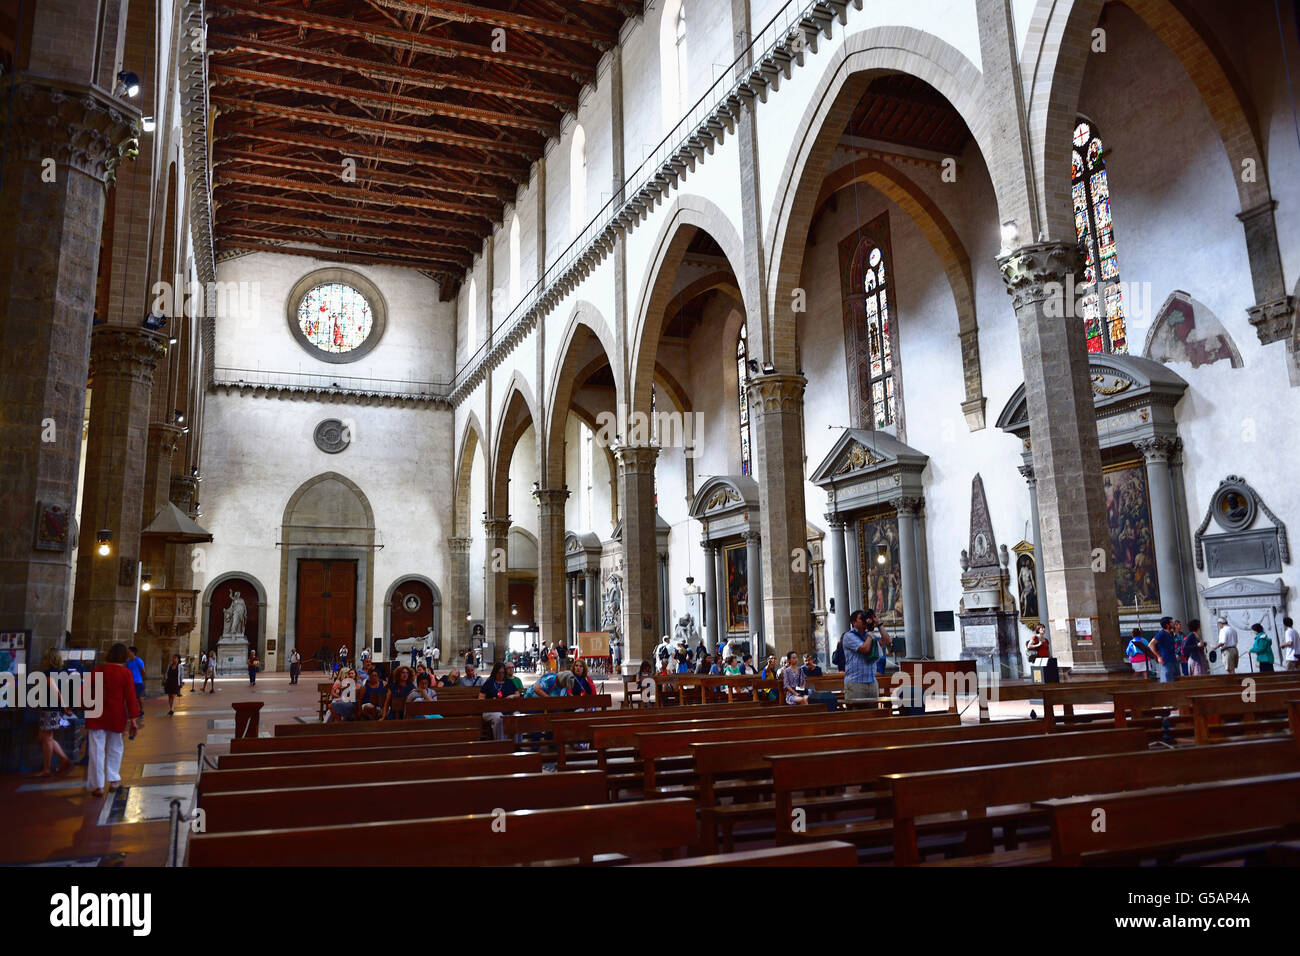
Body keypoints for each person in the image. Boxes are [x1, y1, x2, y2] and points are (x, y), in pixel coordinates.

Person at [86, 643, 142, 797]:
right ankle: (114, 780)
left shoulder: (98, 670)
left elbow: (85, 689)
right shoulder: (125, 673)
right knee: (115, 747)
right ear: (124, 656)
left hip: (96, 713)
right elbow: (131, 698)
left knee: (96, 750)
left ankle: (98, 785)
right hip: (115, 715)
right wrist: (134, 720)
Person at [33, 649, 73, 778]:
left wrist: (65, 706)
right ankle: (64, 760)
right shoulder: (63, 673)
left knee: (47, 737)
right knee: (43, 736)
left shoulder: (48, 674)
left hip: (50, 708)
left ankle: (48, 768)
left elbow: (55, 691)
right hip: (54, 708)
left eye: (45, 658)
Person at [842, 609, 891, 705]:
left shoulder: (868, 635)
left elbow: (886, 641)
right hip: (855, 683)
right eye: (861, 619)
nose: (865, 621)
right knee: (857, 715)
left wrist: (879, 624)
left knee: (873, 714)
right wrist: (870, 631)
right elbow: (865, 648)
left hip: (872, 682)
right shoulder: (849, 636)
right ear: (854, 622)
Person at [1148, 616, 1179, 683]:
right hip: (1166, 660)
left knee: (1176, 680)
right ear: (1167, 625)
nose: (1174, 623)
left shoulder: (1170, 633)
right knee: (1167, 681)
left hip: (1173, 659)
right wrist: (1158, 656)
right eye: (1172, 622)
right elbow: (1151, 644)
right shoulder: (1161, 633)